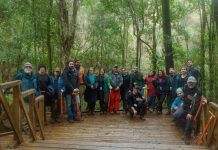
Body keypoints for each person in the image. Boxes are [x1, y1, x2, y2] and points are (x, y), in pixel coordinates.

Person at [173, 76, 201, 145]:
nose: (190, 84)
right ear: (187, 82)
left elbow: (196, 104)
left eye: (192, 82)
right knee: (176, 116)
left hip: (191, 109)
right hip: (184, 106)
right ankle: (190, 128)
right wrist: (181, 95)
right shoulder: (185, 87)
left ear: (195, 83)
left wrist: (191, 113)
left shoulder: (198, 91)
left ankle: (187, 136)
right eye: (189, 82)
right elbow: (180, 92)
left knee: (189, 119)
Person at [13, 62, 39, 133]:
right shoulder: (20, 75)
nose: (28, 68)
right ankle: (26, 129)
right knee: (26, 114)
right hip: (24, 98)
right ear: (24, 68)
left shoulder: (34, 76)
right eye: (26, 67)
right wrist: (4, 90)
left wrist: (37, 94)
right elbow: (13, 82)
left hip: (33, 98)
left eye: (29, 67)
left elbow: (38, 86)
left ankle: (31, 127)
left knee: (32, 113)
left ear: (31, 68)